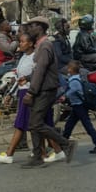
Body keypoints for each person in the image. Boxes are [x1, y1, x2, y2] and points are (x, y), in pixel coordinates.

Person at [0, 33, 61, 164]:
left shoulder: (36, 58)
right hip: (23, 92)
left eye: (23, 42)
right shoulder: (23, 57)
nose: (20, 44)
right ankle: (56, 151)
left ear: (30, 43)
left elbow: (37, 76)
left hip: (32, 94)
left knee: (21, 125)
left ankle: (9, 153)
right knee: (42, 126)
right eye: (20, 42)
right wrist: (11, 94)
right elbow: (19, 78)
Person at [21, 16, 77, 169]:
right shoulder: (42, 45)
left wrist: (31, 92)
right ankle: (38, 155)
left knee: (36, 123)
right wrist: (27, 78)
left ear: (39, 27)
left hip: (45, 89)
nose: (29, 29)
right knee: (34, 124)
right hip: (42, 87)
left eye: (31, 26)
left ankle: (66, 144)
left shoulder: (45, 46)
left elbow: (41, 70)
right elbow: (38, 70)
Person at [61, 60, 96, 154]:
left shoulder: (74, 81)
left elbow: (73, 91)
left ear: (71, 70)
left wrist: (64, 97)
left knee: (88, 127)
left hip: (79, 106)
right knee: (69, 126)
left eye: (68, 68)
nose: (67, 69)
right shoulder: (77, 78)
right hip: (77, 106)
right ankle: (63, 144)